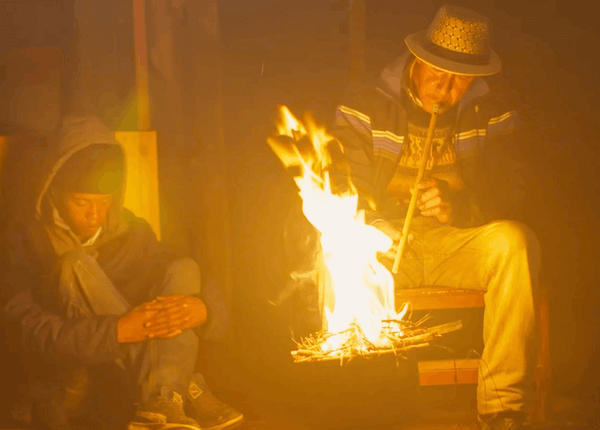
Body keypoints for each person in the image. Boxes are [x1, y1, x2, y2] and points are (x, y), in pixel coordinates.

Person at [331, 5, 540, 430]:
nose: (445, 89)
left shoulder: (492, 108)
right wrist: (376, 229)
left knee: (515, 244)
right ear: (417, 62)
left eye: (461, 79)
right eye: (437, 74)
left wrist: (456, 209)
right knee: (337, 260)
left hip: (454, 242)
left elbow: (513, 192)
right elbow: (339, 188)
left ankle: (502, 409)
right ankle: (365, 409)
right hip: (386, 246)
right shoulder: (366, 101)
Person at [0, 115, 244, 430]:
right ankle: (180, 386)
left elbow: (193, 280)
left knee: (185, 269)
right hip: (77, 383)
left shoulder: (131, 234)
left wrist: (205, 310)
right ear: (54, 191)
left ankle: (165, 399)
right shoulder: (22, 242)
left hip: (137, 382)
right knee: (75, 264)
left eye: (103, 203)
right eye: (82, 203)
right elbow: (28, 332)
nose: (94, 215)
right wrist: (117, 331)